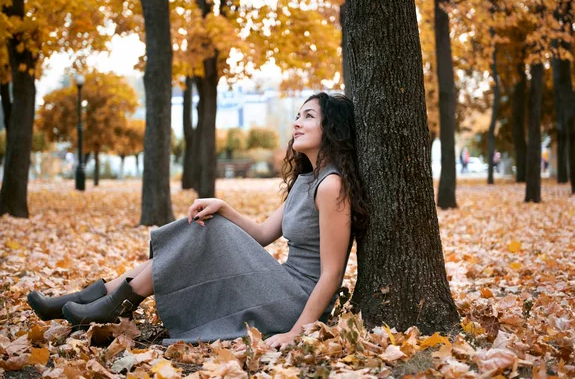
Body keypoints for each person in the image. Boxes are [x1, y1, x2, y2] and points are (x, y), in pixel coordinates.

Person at [26, 93, 368, 348]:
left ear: (332, 128)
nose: (296, 122)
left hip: (295, 302)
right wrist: (225, 207)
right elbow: (264, 234)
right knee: (205, 225)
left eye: (308, 116)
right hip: (278, 286)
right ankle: (98, 300)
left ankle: (108, 302)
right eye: (297, 115)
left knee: (207, 231)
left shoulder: (332, 185)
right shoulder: (307, 180)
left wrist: (295, 332)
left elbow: (331, 274)